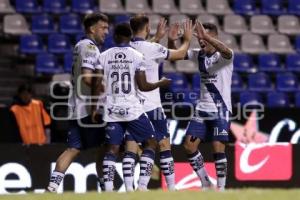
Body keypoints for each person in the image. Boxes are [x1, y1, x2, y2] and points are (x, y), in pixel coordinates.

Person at [92, 22, 171, 192]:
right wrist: (160, 82)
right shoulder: (137, 56)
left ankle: (108, 188)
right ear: (130, 38)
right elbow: (143, 86)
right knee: (150, 142)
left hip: (112, 109)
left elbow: (96, 83)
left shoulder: (103, 56)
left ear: (114, 37)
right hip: (133, 110)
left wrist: (94, 107)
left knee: (112, 149)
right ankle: (142, 186)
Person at [121, 15, 193, 191]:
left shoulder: (127, 48)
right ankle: (170, 187)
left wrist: (159, 38)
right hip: (153, 106)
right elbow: (180, 54)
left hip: (132, 107)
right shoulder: (152, 48)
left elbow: (144, 49)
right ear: (147, 28)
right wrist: (187, 39)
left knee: (131, 146)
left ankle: (131, 188)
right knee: (163, 145)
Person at [47, 13, 109, 192]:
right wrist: (107, 88)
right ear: (92, 28)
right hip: (89, 109)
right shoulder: (90, 47)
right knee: (107, 148)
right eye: (103, 28)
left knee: (72, 148)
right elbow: (88, 78)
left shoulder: (80, 46)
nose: (106, 32)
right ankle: (107, 188)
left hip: (76, 107)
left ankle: (50, 189)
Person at [181, 21, 233, 191]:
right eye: (200, 38)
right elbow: (177, 54)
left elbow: (226, 50)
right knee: (189, 145)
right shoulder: (199, 55)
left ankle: (222, 189)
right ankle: (205, 182)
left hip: (221, 109)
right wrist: (174, 41)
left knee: (218, 148)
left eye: (204, 38)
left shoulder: (225, 57)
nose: (201, 41)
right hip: (202, 109)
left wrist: (206, 36)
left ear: (214, 37)